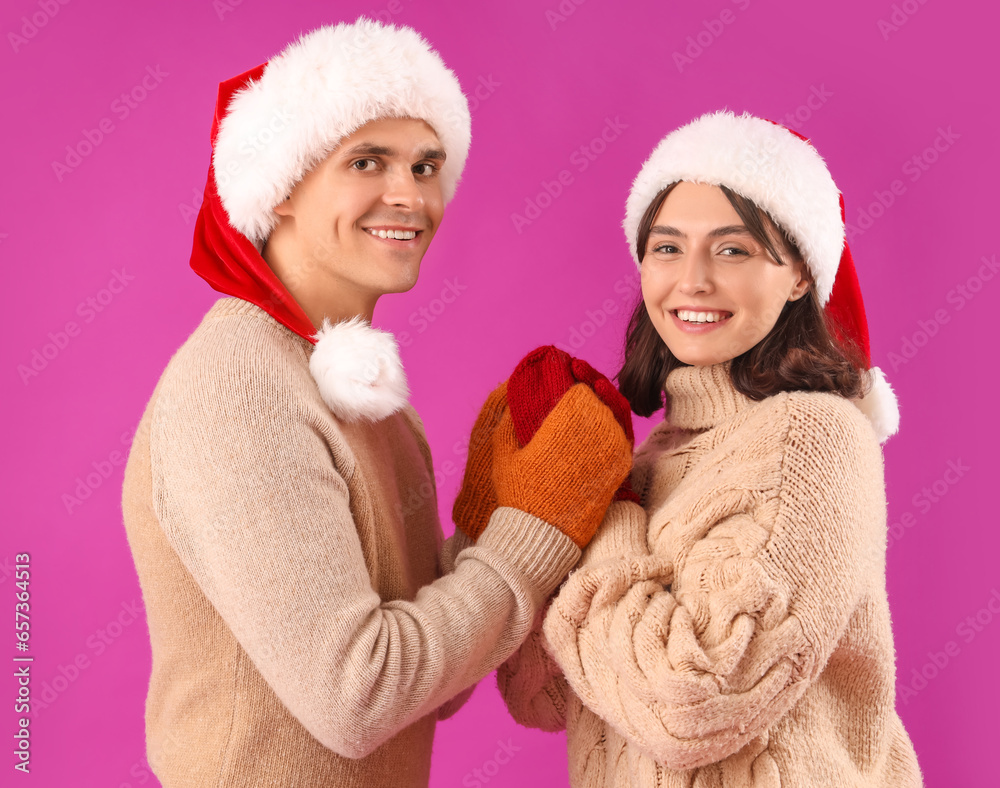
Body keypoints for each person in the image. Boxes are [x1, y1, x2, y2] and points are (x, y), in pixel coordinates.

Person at [121, 19, 632, 787]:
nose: (410, 195)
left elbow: (429, 685)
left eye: (427, 166)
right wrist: (534, 533)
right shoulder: (238, 384)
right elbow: (359, 696)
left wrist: (494, 517)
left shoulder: (370, 400)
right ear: (282, 185)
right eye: (368, 162)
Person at [494, 110, 924, 785]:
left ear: (801, 276)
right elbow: (545, 701)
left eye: (732, 249)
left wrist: (600, 509)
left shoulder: (812, 440)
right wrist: (523, 500)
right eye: (667, 248)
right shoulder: (648, 458)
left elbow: (692, 705)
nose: (691, 280)